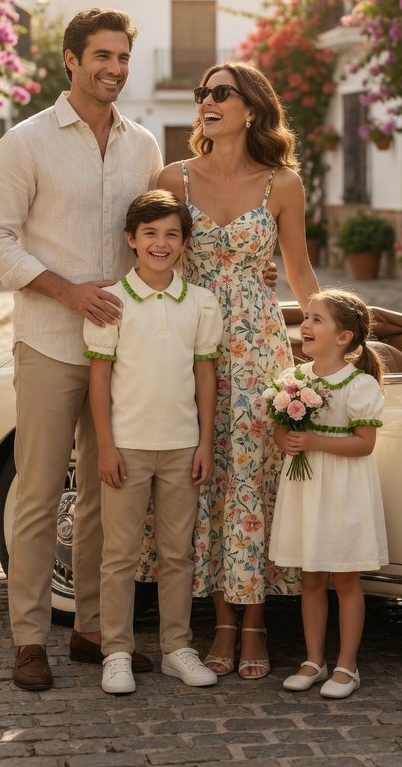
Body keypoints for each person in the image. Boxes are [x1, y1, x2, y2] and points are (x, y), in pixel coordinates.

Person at [0, 7, 163, 691]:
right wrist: (67, 291)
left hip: (120, 348)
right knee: (38, 491)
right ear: (71, 60)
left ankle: (90, 629)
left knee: (101, 493)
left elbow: (157, 235)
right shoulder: (25, 142)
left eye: (122, 58)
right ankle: (30, 638)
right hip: (51, 342)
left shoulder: (144, 145)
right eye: (102, 56)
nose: (113, 68)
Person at [156, 60, 319, 680]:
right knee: (207, 482)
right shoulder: (173, 178)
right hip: (189, 342)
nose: (207, 101)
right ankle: (218, 623)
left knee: (250, 481)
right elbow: (154, 256)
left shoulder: (282, 184)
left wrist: (332, 336)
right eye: (203, 93)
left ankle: (251, 625)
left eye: (220, 92)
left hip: (257, 352)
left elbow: (299, 272)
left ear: (251, 107)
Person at [85, 190, 222, 695]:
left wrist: (205, 443)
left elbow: (205, 376)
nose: (160, 244)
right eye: (150, 234)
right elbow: (99, 380)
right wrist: (105, 446)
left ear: (185, 243)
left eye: (171, 234)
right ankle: (116, 652)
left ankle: (176, 648)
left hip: (183, 447)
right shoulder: (112, 302)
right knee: (119, 553)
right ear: (131, 240)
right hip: (128, 447)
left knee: (177, 553)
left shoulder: (202, 303)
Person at [269, 288, 388, 699]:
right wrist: (287, 440)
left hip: (342, 489)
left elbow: (364, 444)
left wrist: (315, 442)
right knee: (311, 577)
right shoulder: (293, 380)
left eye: (317, 319)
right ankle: (313, 659)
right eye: (306, 317)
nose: (305, 325)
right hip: (306, 488)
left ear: (343, 337)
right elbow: (281, 431)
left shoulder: (358, 385)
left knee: (346, 577)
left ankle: (347, 665)